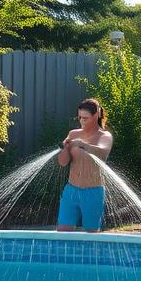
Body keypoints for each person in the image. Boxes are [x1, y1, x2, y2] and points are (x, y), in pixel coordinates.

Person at [56, 98, 114, 232]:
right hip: (71, 190)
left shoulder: (105, 136)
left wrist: (83, 145)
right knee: (63, 231)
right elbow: (63, 162)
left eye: (85, 118)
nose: (81, 121)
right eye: (80, 117)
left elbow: (102, 152)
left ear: (97, 115)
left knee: (91, 234)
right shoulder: (73, 134)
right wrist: (64, 149)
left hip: (93, 192)